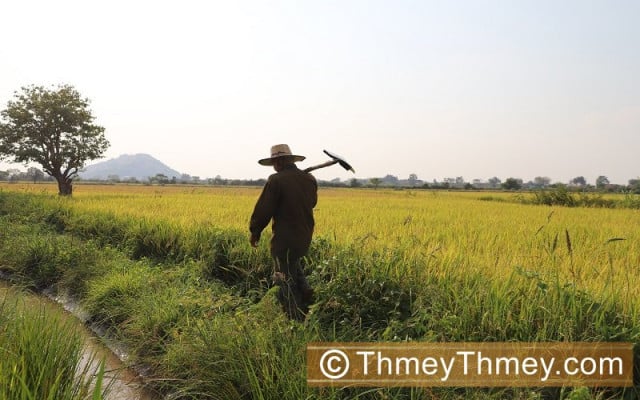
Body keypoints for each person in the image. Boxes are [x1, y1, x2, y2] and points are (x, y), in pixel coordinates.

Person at [249, 144, 318, 321]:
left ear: (278, 161)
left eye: (274, 162)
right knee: (292, 263)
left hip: (284, 238)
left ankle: (295, 319)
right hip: (304, 236)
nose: (273, 165)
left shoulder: (276, 180)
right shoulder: (309, 179)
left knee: (283, 281)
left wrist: (255, 231)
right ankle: (306, 290)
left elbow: (264, 209)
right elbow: (312, 203)